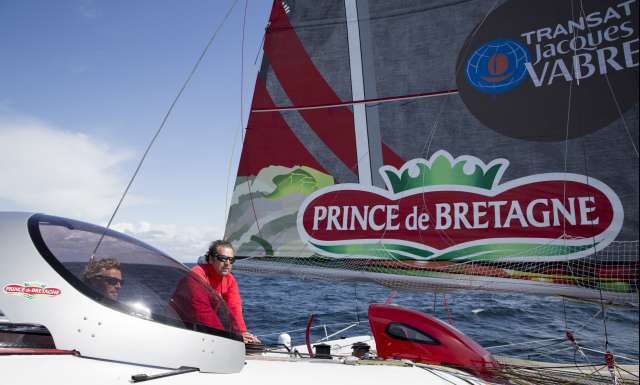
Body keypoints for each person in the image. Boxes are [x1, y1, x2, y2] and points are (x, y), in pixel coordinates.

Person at [191, 240, 260, 344]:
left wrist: (242, 333)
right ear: (211, 259)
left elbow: (235, 308)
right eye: (222, 258)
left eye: (231, 260)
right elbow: (203, 311)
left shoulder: (230, 280)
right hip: (181, 328)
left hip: (203, 330)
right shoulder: (197, 274)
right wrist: (229, 336)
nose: (227, 263)